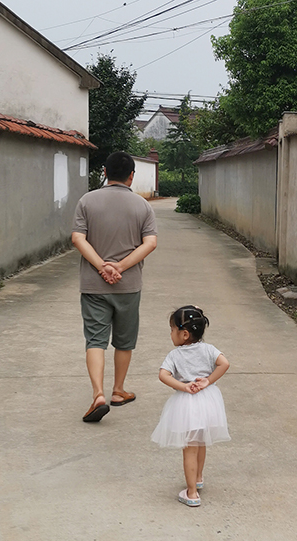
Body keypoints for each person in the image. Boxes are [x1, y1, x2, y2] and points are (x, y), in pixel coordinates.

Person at [71, 151, 158, 423]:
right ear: (132, 175)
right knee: (124, 340)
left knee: (95, 340)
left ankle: (98, 393)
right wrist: (120, 268)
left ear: (105, 172)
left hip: (94, 285)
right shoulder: (143, 206)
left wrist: (102, 266)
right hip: (128, 286)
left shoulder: (86, 201)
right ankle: (118, 391)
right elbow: (150, 243)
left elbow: (77, 239)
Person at [151, 306, 231, 507]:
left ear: (184, 334)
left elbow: (163, 375)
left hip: (187, 405)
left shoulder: (175, 355)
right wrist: (208, 381)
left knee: (189, 449)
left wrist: (184, 387)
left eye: (172, 330)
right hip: (208, 401)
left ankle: (192, 493)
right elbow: (224, 364)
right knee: (201, 443)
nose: (170, 334)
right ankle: (198, 477)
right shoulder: (209, 349)